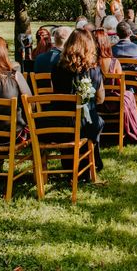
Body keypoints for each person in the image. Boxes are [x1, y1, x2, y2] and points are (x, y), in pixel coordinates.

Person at [51, 29, 105, 172]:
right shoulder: (94, 70)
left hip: (58, 123)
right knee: (98, 122)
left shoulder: (56, 67)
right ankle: (91, 162)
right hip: (83, 125)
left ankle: (69, 164)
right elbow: (100, 99)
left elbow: (54, 93)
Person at [94, 29, 137, 145]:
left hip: (94, 104)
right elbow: (122, 89)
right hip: (112, 104)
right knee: (128, 96)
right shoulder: (114, 63)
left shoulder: (88, 63)